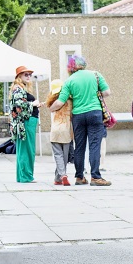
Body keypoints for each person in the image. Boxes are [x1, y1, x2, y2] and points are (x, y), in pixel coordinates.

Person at [50, 53, 111, 186]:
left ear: (70, 67)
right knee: (95, 145)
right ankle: (95, 177)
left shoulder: (69, 81)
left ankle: (79, 177)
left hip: (78, 116)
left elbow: (60, 102)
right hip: (95, 113)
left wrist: (50, 108)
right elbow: (107, 93)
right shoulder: (95, 75)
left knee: (79, 146)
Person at [8, 66, 40, 183]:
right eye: (25, 74)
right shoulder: (18, 88)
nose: (28, 76)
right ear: (19, 76)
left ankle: (23, 176)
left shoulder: (21, 88)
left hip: (27, 122)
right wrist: (33, 104)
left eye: (29, 74)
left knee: (25, 150)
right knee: (27, 150)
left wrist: (34, 104)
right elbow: (18, 104)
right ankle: (26, 177)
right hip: (25, 122)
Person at [45, 80, 74, 186]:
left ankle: (61, 176)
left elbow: (50, 109)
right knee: (64, 156)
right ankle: (60, 177)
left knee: (58, 155)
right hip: (67, 130)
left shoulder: (52, 102)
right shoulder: (70, 101)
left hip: (55, 130)